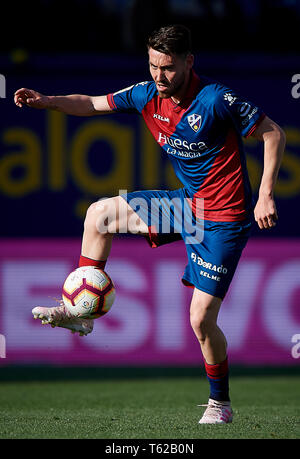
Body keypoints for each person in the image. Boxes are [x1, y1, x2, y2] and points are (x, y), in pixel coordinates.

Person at [14, 24, 285, 424]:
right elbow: (90, 104)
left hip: (225, 219)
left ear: (189, 62)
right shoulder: (146, 94)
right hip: (188, 207)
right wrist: (47, 101)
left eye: (169, 68)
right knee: (98, 214)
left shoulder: (216, 99)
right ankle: (82, 314)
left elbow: (273, 133)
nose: (159, 76)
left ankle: (220, 405)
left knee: (201, 321)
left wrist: (264, 194)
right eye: (153, 65)